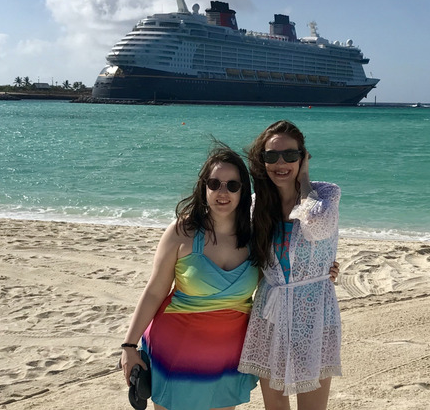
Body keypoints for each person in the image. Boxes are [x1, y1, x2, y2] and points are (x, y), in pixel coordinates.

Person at [119, 143, 259, 410]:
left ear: (244, 191)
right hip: (175, 352)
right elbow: (154, 291)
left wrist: (325, 270)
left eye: (232, 185)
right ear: (203, 187)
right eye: (215, 183)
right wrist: (129, 344)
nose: (222, 192)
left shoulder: (256, 237)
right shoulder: (182, 231)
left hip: (229, 357)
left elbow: (283, 276)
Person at [238, 120, 342, 410]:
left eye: (290, 156)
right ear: (262, 161)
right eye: (271, 156)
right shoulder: (256, 205)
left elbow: (317, 227)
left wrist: (305, 179)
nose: (280, 163)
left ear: (303, 157)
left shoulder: (325, 195)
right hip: (270, 313)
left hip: (315, 311)